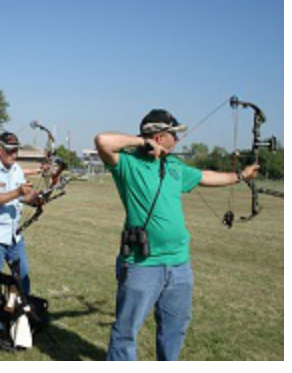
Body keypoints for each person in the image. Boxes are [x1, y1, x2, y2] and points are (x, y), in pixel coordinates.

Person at [93, 109, 259, 361]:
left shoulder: (173, 165)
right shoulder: (127, 164)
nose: (179, 140)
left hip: (180, 264)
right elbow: (102, 140)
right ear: (159, 137)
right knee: (126, 331)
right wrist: (142, 142)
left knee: (175, 327)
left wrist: (240, 176)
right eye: (174, 134)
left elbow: (204, 176)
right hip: (142, 264)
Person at [0, 132, 43, 334]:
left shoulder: (17, 170)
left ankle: (15, 312)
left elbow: (24, 196)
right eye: (11, 151)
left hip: (14, 235)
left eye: (17, 150)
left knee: (22, 277)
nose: (14, 154)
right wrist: (18, 192)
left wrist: (36, 198)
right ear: (0, 150)